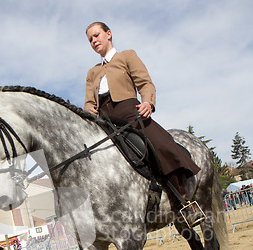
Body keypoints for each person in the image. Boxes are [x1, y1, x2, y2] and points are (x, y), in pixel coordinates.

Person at [84, 22, 201, 223]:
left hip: (131, 113)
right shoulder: (92, 72)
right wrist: (88, 109)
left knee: (162, 146)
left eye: (97, 35)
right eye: (90, 39)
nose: (94, 41)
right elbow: (88, 101)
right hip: (104, 121)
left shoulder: (127, 56)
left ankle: (186, 204)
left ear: (108, 34)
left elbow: (145, 83)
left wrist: (148, 102)